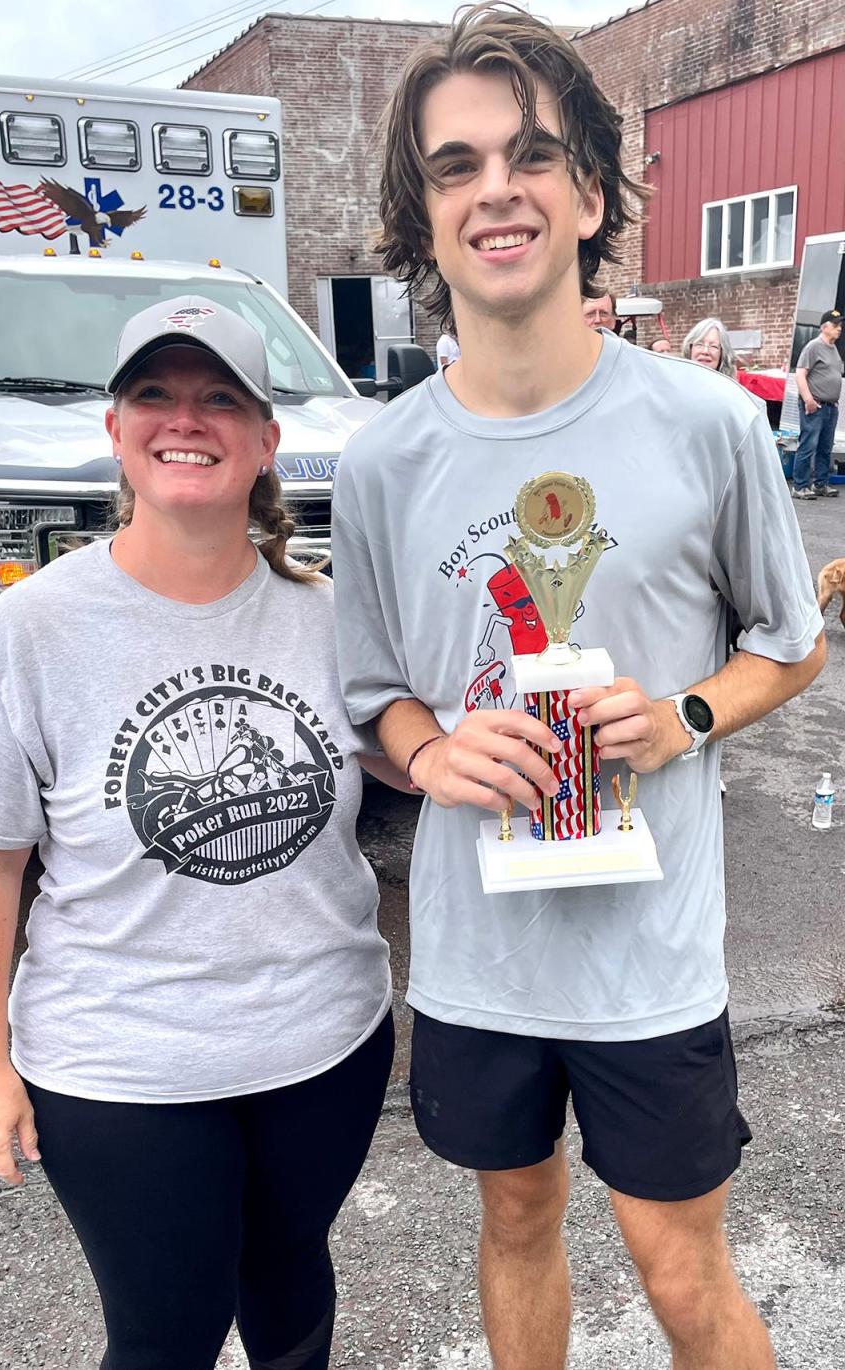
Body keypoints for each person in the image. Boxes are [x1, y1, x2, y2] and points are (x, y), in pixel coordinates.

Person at [331, 7, 825, 1369]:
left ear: (590, 192)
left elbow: (793, 641)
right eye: (455, 165)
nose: (496, 188)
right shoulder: (383, 464)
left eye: (533, 155)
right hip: (480, 961)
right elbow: (373, 692)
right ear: (422, 214)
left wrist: (686, 716)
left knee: (680, 1269)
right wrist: (428, 753)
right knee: (516, 1217)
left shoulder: (708, 424)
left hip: (648, 960)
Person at [0, 296, 397, 1370]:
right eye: (157, 395)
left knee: (289, 1283)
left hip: (326, 1043)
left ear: (267, 440)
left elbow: (412, 751)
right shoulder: (34, 627)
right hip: (119, 1070)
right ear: (117, 430)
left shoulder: (329, 615)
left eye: (222, 396)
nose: (189, 418)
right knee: (167, 1331)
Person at [791, 307, 844, 500]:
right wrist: (808, 400)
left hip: (830, 407)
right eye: (835, 325)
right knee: (808, 445)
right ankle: (800, 486)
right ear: (824, 327)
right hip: (815, 406)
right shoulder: (813, 347)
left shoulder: (833, 349)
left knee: (825, 447)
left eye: (840, 325)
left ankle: (820, 484)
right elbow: (800, 374)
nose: (840, 328)